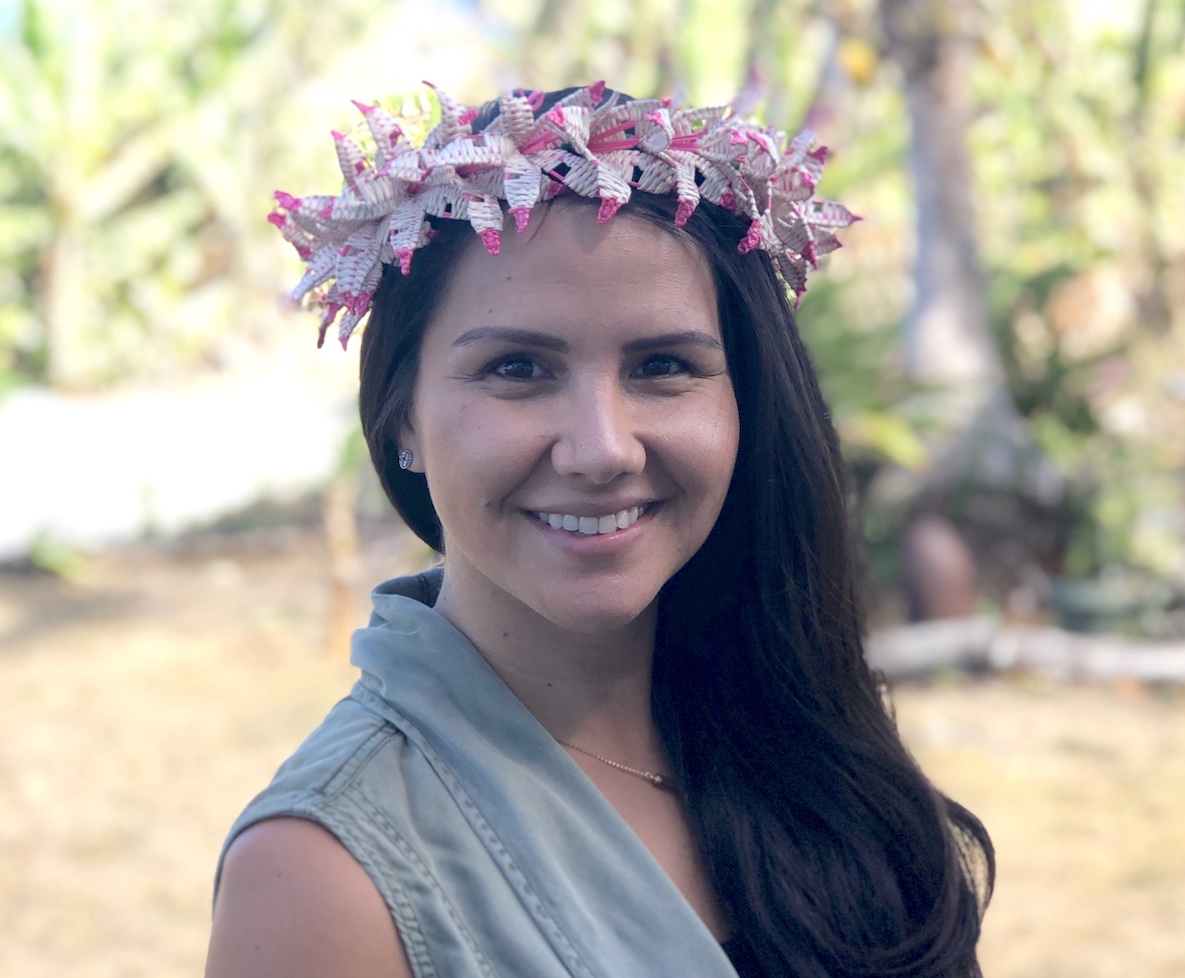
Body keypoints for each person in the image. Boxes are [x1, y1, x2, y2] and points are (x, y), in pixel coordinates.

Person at [205, 83, 993, 978]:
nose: (603, 449)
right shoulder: (320, 879)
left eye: (663, 365)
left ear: (746, 403)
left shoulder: (808, 741)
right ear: (401, 422)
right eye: (517, 368)